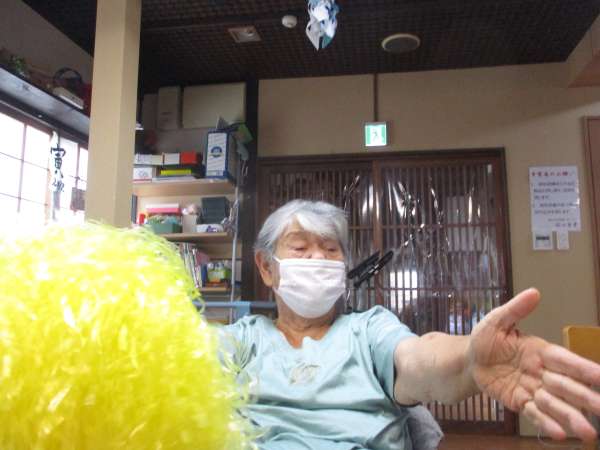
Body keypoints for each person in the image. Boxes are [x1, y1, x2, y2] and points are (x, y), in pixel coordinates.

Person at [224, 200, 600, 450]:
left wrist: (469, 357)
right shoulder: (242, 340)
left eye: (331, 249)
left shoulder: (369, 330)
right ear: (266, 268)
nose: (318, 258)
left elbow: (420, 358)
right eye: (300, 248)